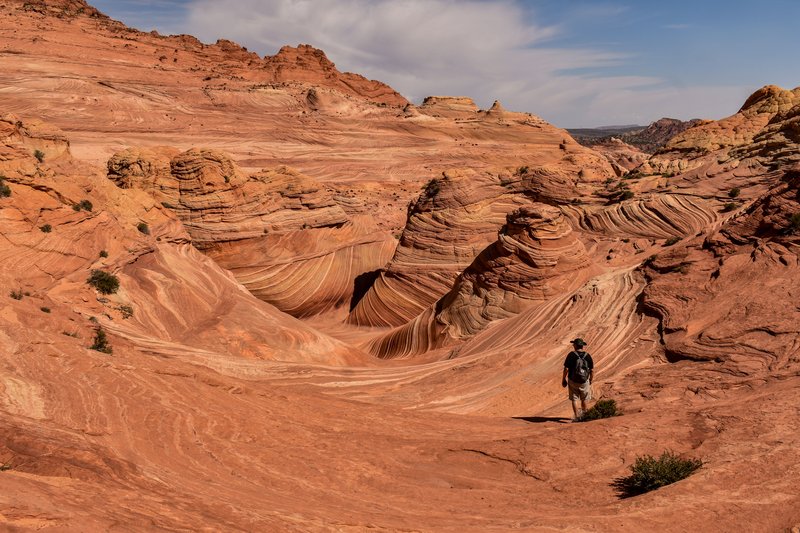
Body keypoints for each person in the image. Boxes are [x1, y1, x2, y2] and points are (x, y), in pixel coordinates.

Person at [561, 338, 594, 421]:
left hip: (573, 380)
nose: (573, 346)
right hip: (584, 380)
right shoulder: (588, 356)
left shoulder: (571, 355)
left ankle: (577, 417)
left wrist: (563, 379)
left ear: (575, 345)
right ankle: (585, 415)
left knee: (574, 399)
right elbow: (592, 370)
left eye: (573, 344)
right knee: (584, 398)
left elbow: (566, 369)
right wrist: (590, 380)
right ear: (582, 346)